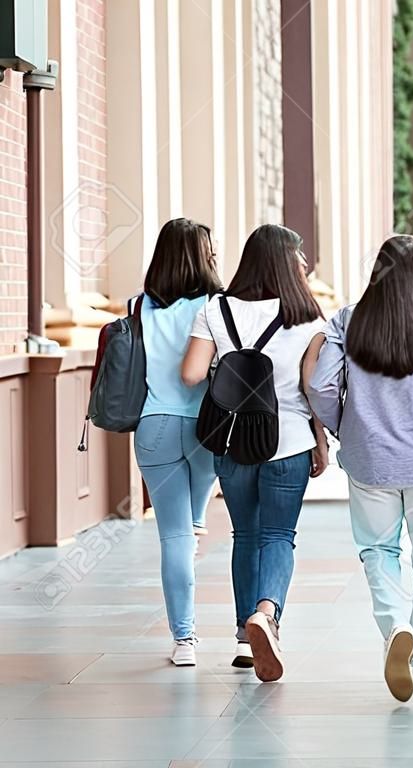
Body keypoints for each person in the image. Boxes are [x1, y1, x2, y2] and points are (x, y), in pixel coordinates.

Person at [304, 235, 413, 702]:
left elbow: (321, 386)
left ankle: (395, 626)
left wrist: (345, 427)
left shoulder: (347, 320)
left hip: (367, 460)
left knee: (378, 551)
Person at [181, 224, 328, 682]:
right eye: (300, 255)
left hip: (231, 441)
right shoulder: (308, 319)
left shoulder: (215, 309)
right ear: (286, 263)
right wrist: (321, 440)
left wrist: (224, 373)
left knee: (244, 535)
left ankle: (246, 640)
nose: (305, 262)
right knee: (278, 535)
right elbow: (313, 389)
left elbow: (189, 374)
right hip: (289, 441)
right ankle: (267, 613)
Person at [133, 218, 222, 667]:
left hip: (155, 425)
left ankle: (184, 640)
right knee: (191, 525)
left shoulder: (137, 306)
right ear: (202, 255)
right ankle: (200, 518)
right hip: (207, 426)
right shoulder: (215, 305)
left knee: (173, 535)